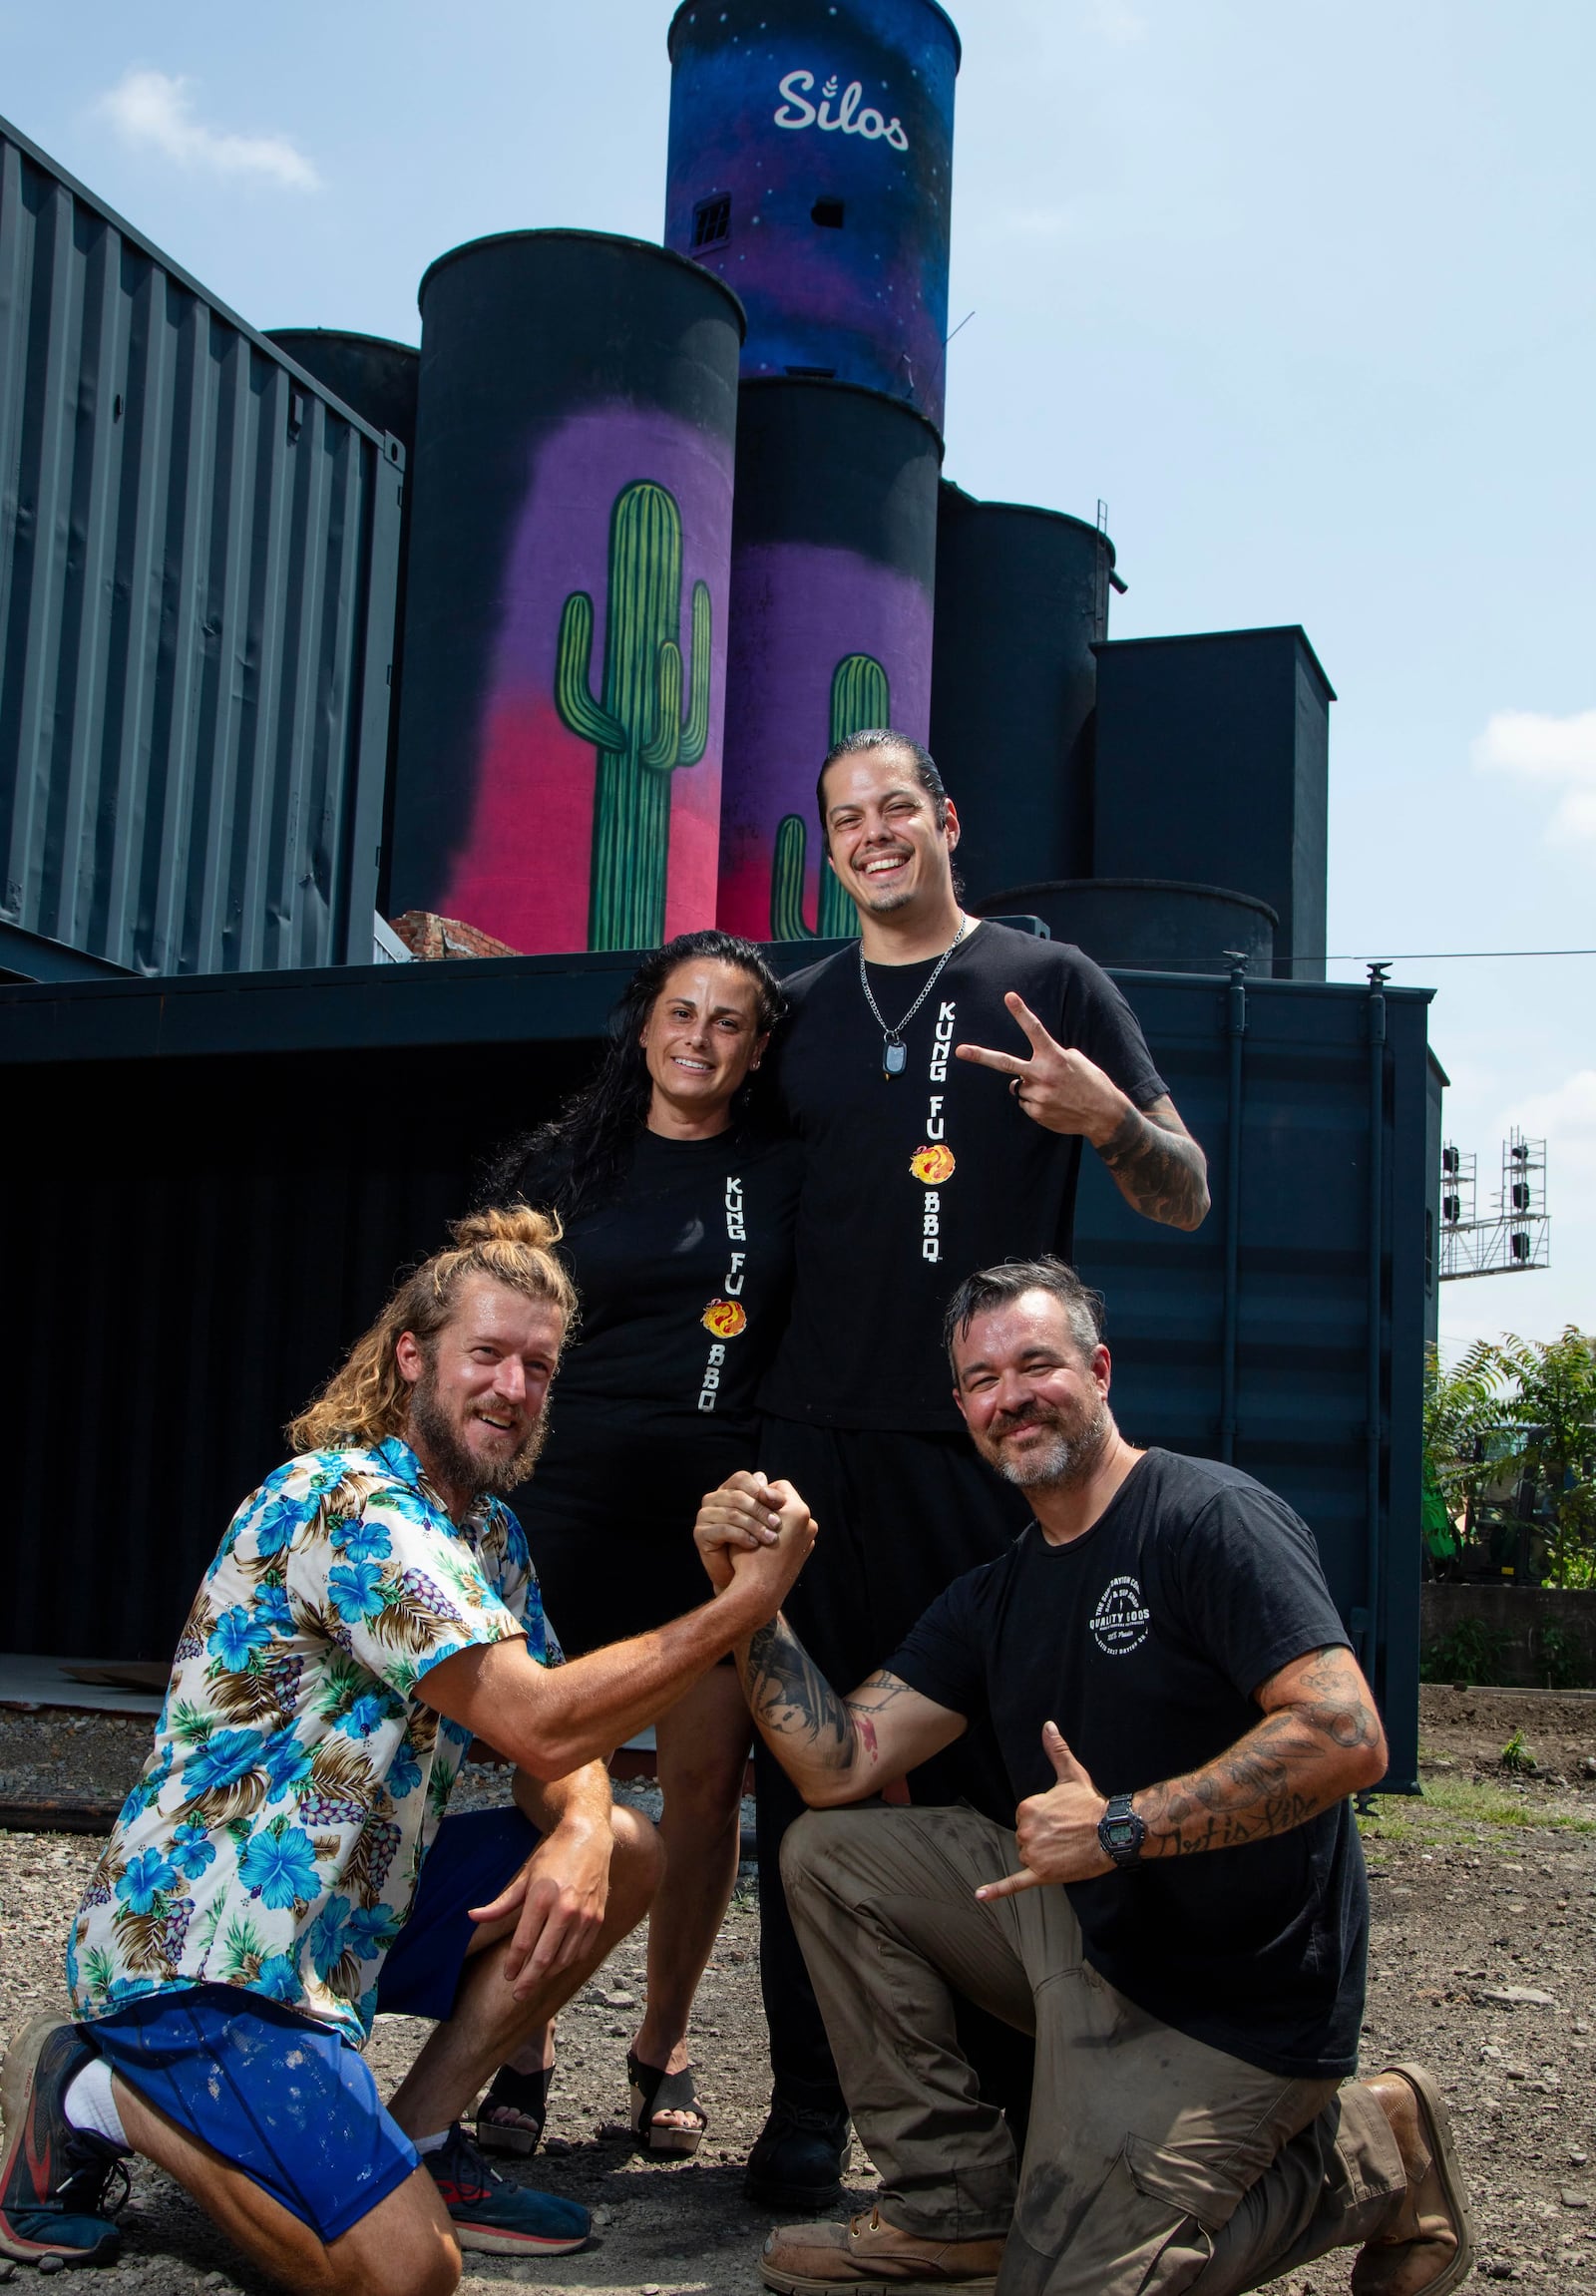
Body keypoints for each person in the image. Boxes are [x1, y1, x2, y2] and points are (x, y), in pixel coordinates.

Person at [0, 1207, 815, 2293]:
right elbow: (533, 1714)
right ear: (413, 1356)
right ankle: (102, 2094)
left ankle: (419, 2135)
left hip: (343, 1917)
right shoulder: (349, 1505)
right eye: (486, 1355)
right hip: (212, 1942)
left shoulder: (487, 1533)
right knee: (405, 2272)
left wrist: (577, 1823)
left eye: (537, 1365)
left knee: (622, 1843)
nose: (512, 1390)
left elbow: (553, 1750)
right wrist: (739, 1607)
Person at [697, 1258, 1474, 2296]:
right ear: (964, 1407)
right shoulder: (999, 1591)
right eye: (980, 1379)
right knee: (829, 1851)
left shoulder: (1207, 1518)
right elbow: (839, 1763)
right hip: (1090, 1944)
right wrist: (748, 1599)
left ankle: (1372, 2155)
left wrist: (1119, 1826)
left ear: (1099, 1370)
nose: (1009, 1396)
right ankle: (951, 2207)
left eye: (1036, 1364)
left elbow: (1345, 1734)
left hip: (1235, 2006)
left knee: (1066, 2288)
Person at [747, 726, 1212, 2208]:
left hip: (985, 1441)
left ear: (947, 820)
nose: (875, 834)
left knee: (1009, 1770)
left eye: (899, 808)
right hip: (816, 1445)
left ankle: (1031, 2105)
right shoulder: (799, 1011)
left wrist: (1115, 1117)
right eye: (846, 818)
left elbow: (1186, 1190)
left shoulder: (1048, 982)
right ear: (827, 847)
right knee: (807, 1780)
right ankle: (813, 2105)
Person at [476, 930, 801, 2157]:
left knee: (709, 1790)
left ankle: (659, 2048)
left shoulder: (781, 1173)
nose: (698, 1038)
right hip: (565, 1506)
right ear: (646, 1024)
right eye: (680, 1012)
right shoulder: (567, 1165)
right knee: (554, 1772)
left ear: (755, 1046)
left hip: (712, 1521)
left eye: (726, 1020)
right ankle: (522, 2045)